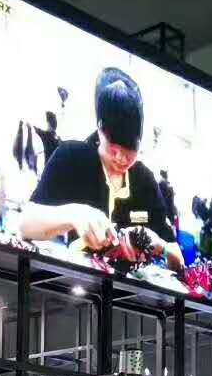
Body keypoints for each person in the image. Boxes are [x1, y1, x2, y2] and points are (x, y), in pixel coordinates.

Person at [19, 68, 183, 270]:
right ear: (99, 130)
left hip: (128, 286)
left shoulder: (144, 180)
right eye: (113, 148)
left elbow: (178, 258)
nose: (121, 159)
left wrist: (159, 246)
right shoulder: (72, 157)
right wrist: (74, 214)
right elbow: (24, 225)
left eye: (129, 151)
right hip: (76, 279)